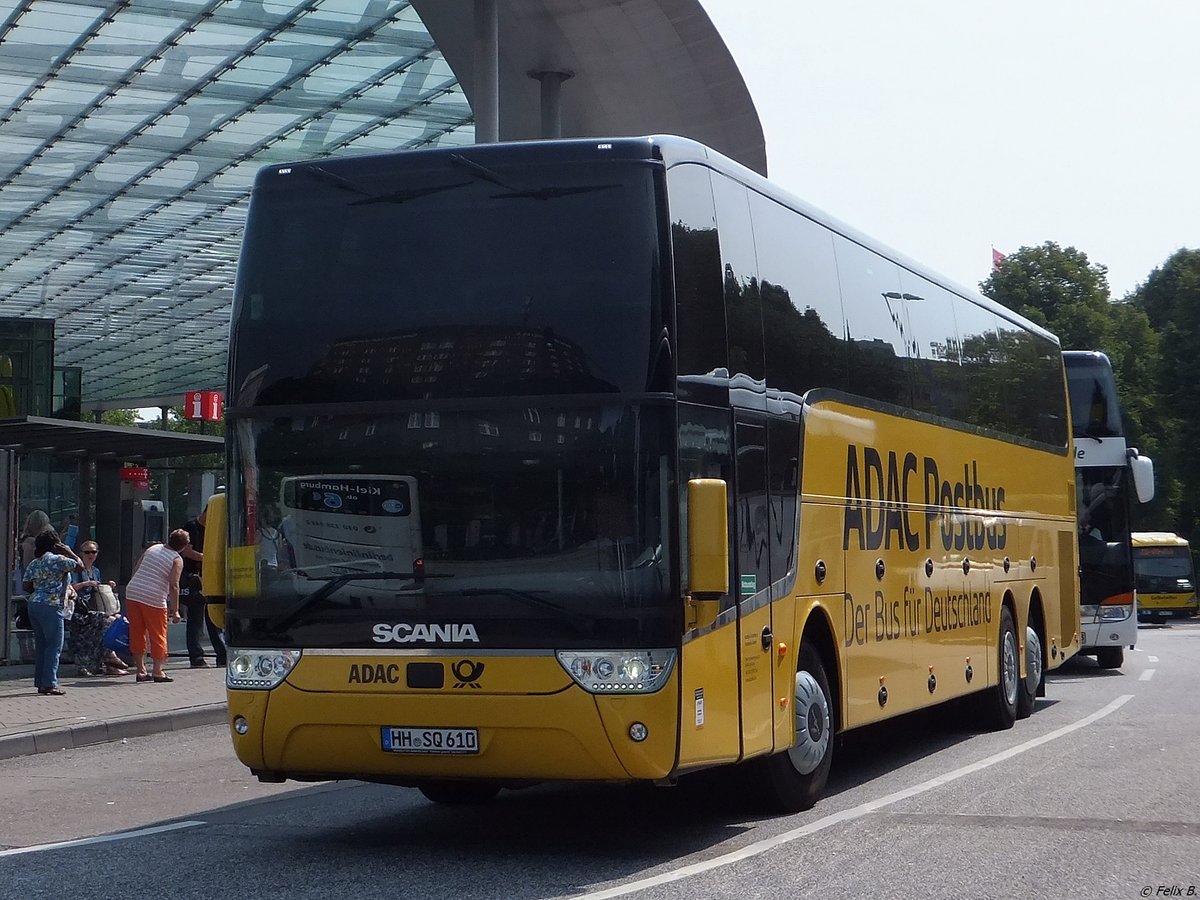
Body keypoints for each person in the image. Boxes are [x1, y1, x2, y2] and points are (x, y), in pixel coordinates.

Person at [22, 530, 83, 695]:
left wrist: (41, 586)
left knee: (42, 645)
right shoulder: (59, 560)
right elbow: (79, 566)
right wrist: (68, 551)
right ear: (56, 544)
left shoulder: (35, 563)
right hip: (52, 605)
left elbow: (26, 585)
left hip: (34, 604)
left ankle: (40, 682)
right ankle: (49, 683)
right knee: (54, 646)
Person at [124, 529, 187, 683]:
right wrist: (176, 610)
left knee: (137, 632)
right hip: (154, 597)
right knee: (158, 634)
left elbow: (136, 568)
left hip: (133, 592)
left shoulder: (153, 548)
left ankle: (140, 671)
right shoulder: (176, 559)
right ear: (183, 546)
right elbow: (174, 586)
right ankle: (158, 671)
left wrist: (136, 584)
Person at [69, 540, 128, 677]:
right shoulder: (76, 570)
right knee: (109, 622)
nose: (91, 555)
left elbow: (98, 589)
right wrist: (84, 584)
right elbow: (70, 588)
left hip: (94, 608)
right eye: (87, 552)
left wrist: (107, 585)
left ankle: (109, 659)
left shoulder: (95, 571)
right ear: (81, 554)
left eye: (94, 552)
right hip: (80, 610)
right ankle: (110, 658)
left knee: (119, 620)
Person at [179, 507, 226, 668]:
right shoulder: (191, 527)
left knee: (214, 616)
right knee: (196, 618)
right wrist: (208, 558)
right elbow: (186, 551)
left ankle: (222, 654)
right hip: (193, 578)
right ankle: (196, 656)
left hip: (210, 577)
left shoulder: (216, 528)